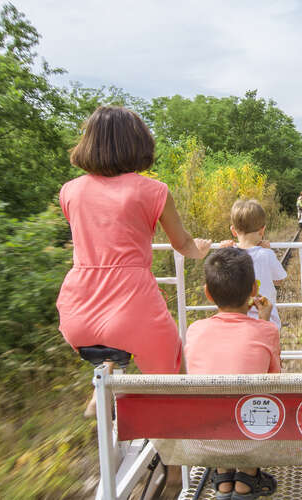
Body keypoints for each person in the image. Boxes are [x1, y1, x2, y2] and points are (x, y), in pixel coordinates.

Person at [56, 106, 211, 413]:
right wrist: (201, 249)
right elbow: (183, 244)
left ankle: (103, 382)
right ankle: (174, 454)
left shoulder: (69, 191)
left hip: (77, 310)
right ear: (137, 143)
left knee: (112, 337)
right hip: (132, 306)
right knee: (172, 374)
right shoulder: (154, 191)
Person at [184, 247, 280, 500]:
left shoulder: (194, 330)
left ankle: (223, 481)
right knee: (255, 403)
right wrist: (264, 321)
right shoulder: (267, 331)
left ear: (207, 293)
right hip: (250, 438)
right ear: (253, 290)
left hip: (205, 438)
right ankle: (246, 482)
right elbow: (274, 383)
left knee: (215, 405)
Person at [220, 199, 287, 329]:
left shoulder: (228, 255)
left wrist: (223, 251)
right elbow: (279, 280)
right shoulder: (266, 254)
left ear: (233, 231)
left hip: (238, 323)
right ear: (262, 231)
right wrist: (268, 250)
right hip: (268, 321)